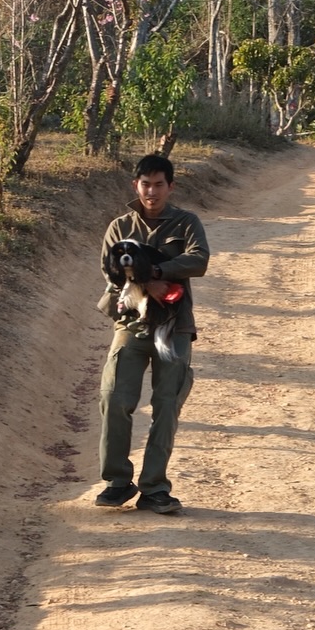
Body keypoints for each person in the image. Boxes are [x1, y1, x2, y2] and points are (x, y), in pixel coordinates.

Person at [95, 153, 209, 516]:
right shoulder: (119, 227)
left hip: (174, 325)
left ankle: (155, 488)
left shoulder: (186, 222)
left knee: (166, 405)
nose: (152, 191)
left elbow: (199, 260)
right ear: (136, 185)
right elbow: (110, 272)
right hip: (131, 322)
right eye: (146, 184)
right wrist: (148, 284)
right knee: (113, 397)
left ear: (170, 187)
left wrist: (156, 269)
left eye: (159, 184)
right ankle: (117, 481)